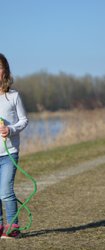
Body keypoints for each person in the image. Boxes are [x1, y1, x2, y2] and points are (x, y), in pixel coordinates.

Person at [0, 53, 28, 238]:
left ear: (5, 71)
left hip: (9, 153)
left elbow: (24, 120)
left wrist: (10, 129)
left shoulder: (13, 96)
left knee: (5, 192)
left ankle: (13, 226)